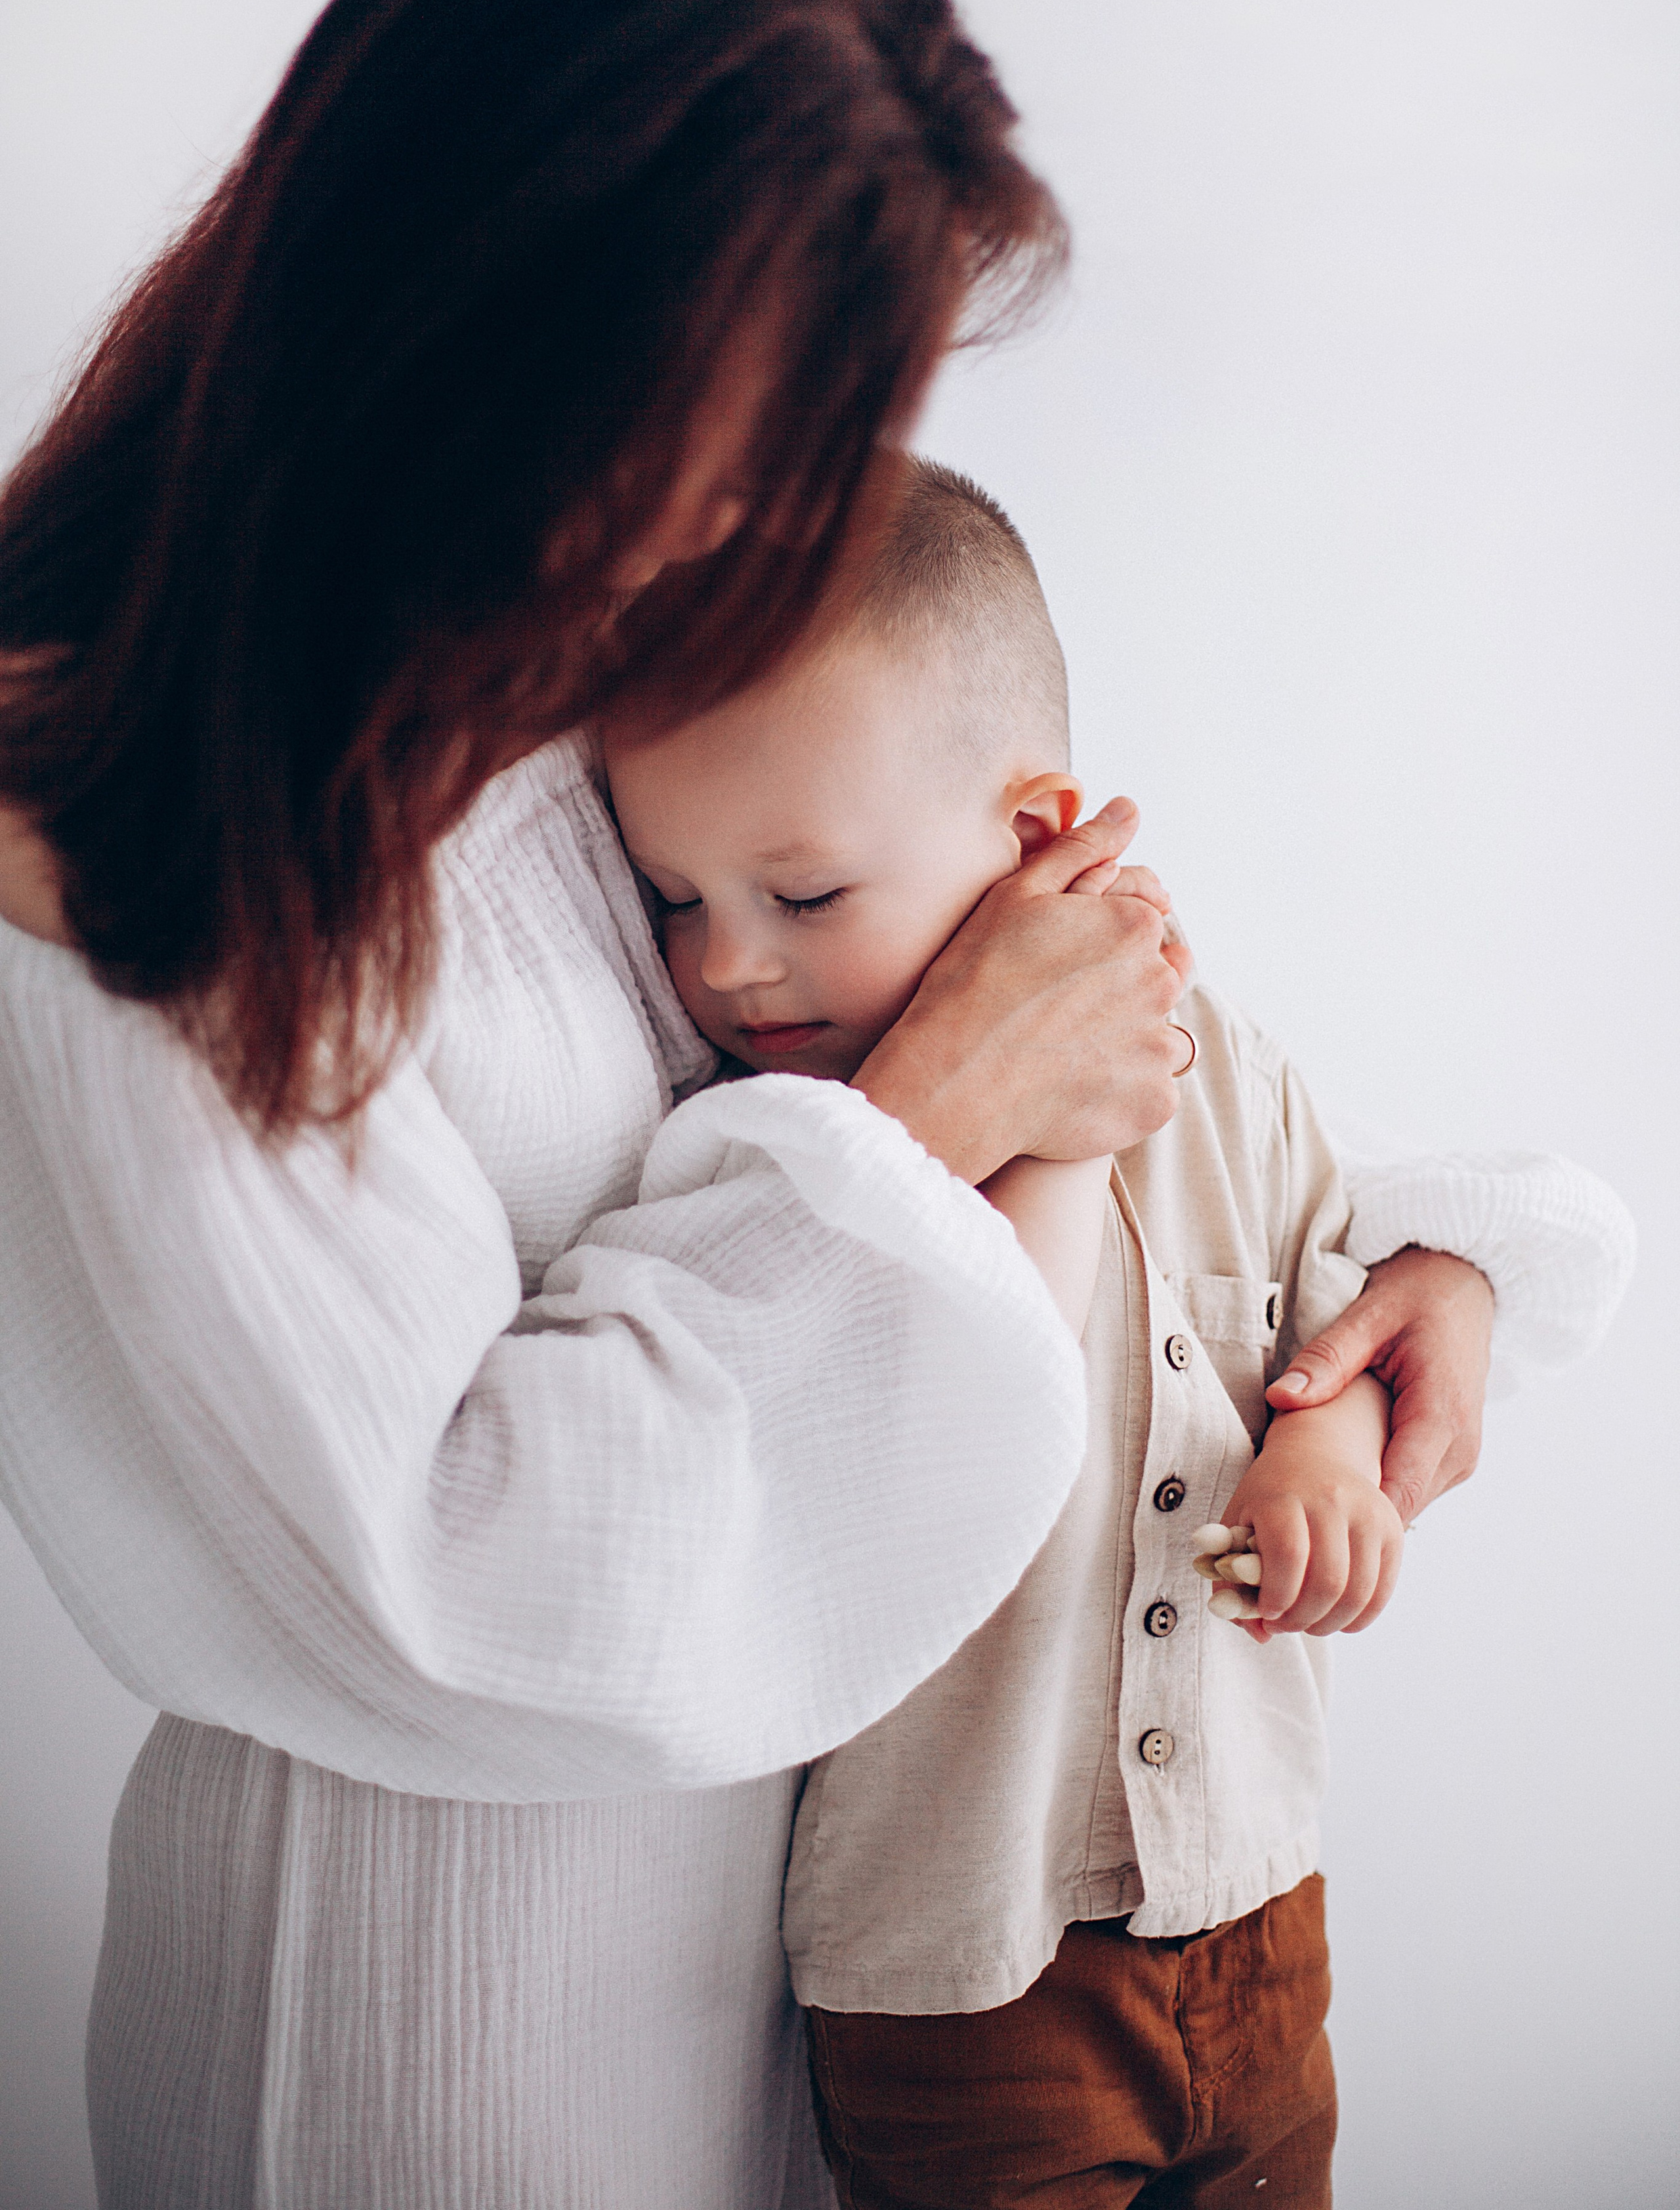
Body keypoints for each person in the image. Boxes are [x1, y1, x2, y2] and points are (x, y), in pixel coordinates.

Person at [0, 0, 1628, 2209]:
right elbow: (448, 1584)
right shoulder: (106, 817)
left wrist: (1436, 1266)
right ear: (499, 296)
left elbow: (1154, 1107)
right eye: (758, 420)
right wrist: (952, 1097)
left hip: (800, 2010)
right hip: (422, 2064)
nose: (781, 516)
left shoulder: (589, 699)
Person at [602, 457, 1636, 2207]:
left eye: (804, 896)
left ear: (1031, 840)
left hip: (1256, 1905)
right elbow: (961, 1381)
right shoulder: (780, 1162)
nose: (733, 974)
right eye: (678, 902)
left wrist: (1320, 1436)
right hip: (966, 1972)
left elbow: (1359, 1273)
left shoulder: (1215, 1065)